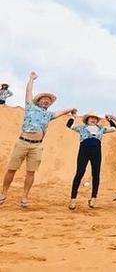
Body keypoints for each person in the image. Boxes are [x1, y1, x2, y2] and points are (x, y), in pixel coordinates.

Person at [0, 71, 77, 208]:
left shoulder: (49, 115)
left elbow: (61, 112)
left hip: (37, 146)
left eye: (48, 100)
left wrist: (72, 109)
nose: (46, 101)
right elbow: (28, 92)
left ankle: (25, 197)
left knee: (31, 172)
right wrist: (31, 79)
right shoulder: (30, 107)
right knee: (11, 169)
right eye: (43, 99)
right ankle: (3, 193)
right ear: (38, 101)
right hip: (23, 142)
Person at [66, 111, 116, 210]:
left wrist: (110, 120)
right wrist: (73, 117)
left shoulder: (101, 128)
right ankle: (73, 199)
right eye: (91, 118)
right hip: (84, 151)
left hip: (96, 152)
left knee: (96, 174)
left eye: (95, 118)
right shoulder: (81, 128)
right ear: (87, 119)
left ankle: (93, 198)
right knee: (80, 173)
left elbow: (114, 128)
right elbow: (69, 125)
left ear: (97, 120)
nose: (93, 119)